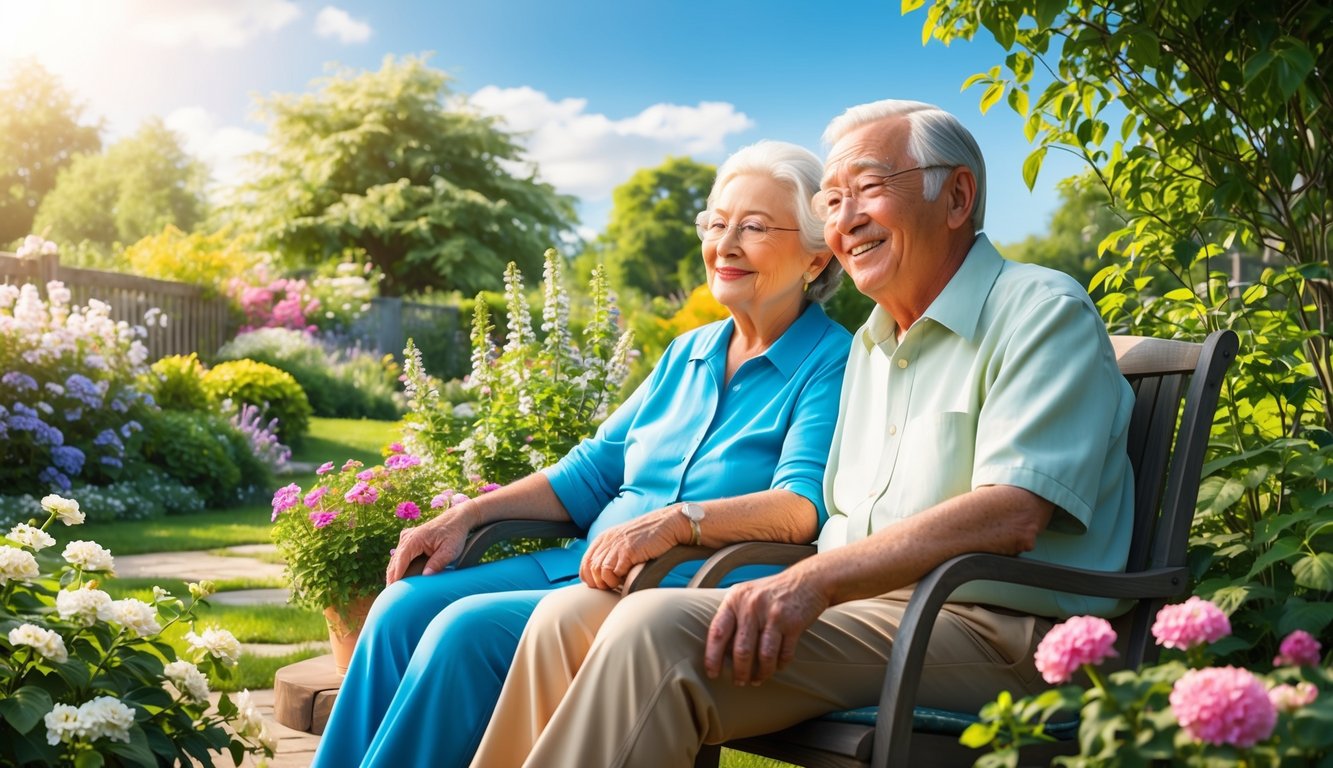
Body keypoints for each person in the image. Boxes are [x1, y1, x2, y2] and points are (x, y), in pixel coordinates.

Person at [470, 99, 1136, 768]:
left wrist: (812, 580)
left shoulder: (1039, 311)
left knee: (653, 632)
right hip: (865, 617)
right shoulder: (874, 347)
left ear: (956, 196)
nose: (844, 221)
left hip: (996, 636)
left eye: (868, 189)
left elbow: (1011, 512)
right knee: (565, 621)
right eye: (831, 201)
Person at [309, 140, 853, 768]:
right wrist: (468, 516)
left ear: (817, 259)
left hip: (666, 590)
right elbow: (592, 470)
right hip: (577, 565)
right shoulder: (689, 351)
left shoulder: (830, 363)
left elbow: (799, 507)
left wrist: (681, 521)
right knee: (401, 608)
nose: (726, 243)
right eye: (716, 223)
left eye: (754, 227)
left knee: (465, 635)